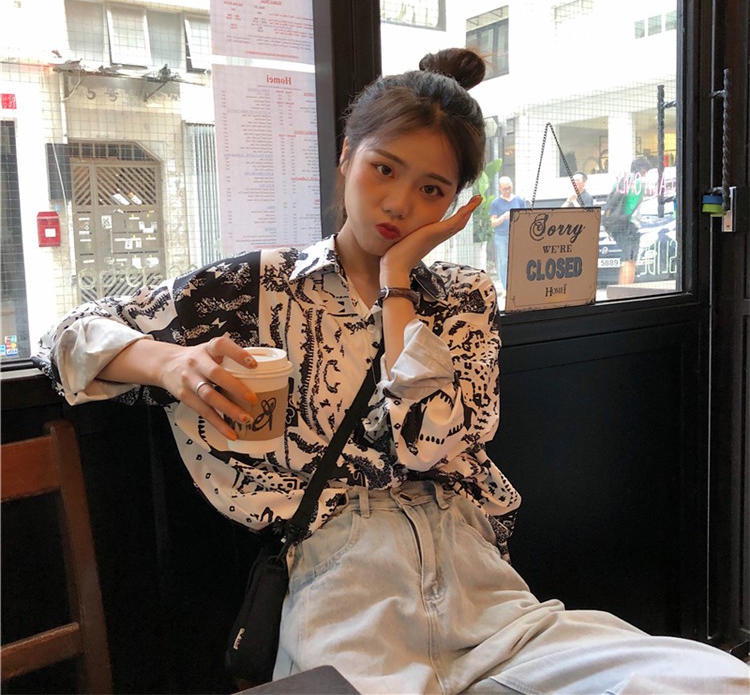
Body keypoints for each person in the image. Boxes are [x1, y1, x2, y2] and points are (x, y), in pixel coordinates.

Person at [33, 49, 748, 695]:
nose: (401, 204)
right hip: (344, 586)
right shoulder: (260, 287)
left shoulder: (465, 299)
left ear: (456, 204)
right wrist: (171, 361)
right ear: (347, 156)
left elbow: (426, 445)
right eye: (384, 169)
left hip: (483, 590)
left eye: (432, 189)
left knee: (712, 680)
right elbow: (65, 335)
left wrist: (398, 283)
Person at [604, 156, 650, 285]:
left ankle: (623, 289)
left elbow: (611, 202)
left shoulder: (621, 181)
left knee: (626, 257)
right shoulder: (640, 183)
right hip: (629, 223)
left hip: (616, 223)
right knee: (630, 259)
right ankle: (625, 290)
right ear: (644, 171)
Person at [488, 176, 526, 296]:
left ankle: (519, 286)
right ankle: (506, 288)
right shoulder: (495, 203)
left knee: (519, 260)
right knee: (504, 262)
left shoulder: (519, 200)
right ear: (500, 189)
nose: (508, 190)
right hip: (501, 236)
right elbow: (493, 223)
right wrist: (504, 217)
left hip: (517, 235)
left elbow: (526, 217)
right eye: (505, 189)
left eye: (509, 187)